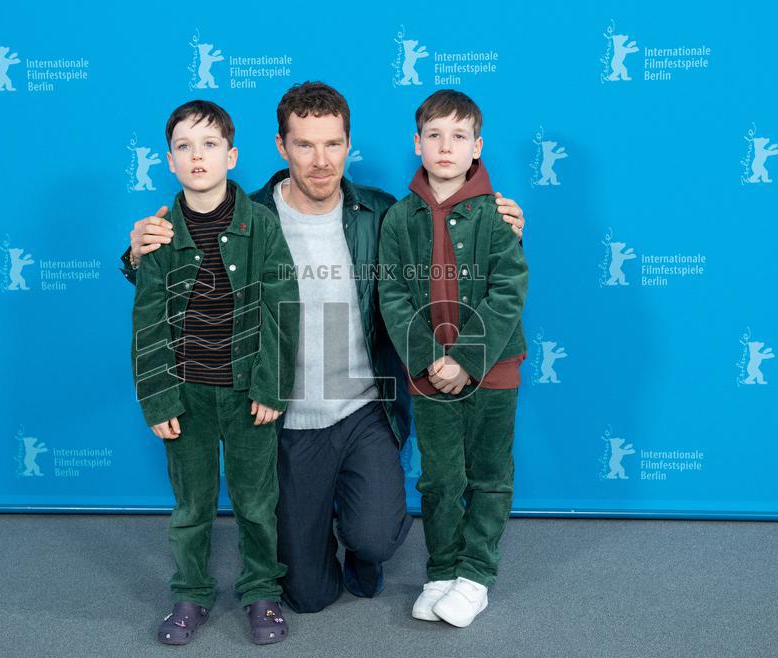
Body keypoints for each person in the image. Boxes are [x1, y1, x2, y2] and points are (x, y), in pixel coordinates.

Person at [123, 82, 527, 614]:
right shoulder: (249, 216)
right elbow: (183, 274)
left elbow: (448, 234)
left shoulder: (382, 213)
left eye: (333, 144)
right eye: (305, 145)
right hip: (283, 416)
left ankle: (364, 533)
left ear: (348, 145)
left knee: (377, 536)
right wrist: (134, 254)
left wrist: (503, 224)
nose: (320, 161)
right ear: (280, 146)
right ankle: (317, 527)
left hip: (362, 410)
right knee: (307, 595)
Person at [132, 99, 299, 645]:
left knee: (256, 501)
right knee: (192, 503)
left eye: (208, 145)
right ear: (170, 161)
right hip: (186, 395)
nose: (196, 156)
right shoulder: (157, 234)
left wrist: (272, 386)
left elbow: (282, 309)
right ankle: (191, 593)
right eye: (184, 146)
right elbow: (148, 321)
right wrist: (158, 398)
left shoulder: (262, 226)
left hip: (249, 391)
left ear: (231, 155)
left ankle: (261, 592)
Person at [378, 89, 528, 628]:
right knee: (440, 477)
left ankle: (476, 575)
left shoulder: (497, 214)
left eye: (459, 136)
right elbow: (391, 293)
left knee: (488, 473)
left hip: (493, 370)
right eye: (434, 135)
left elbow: (509, 288)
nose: (446, 146)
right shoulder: (399, 218)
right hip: (428, 376)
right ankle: (441, 570)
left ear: (477, 147)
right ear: (417, 143)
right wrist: (428, 359)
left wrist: (467, 357)